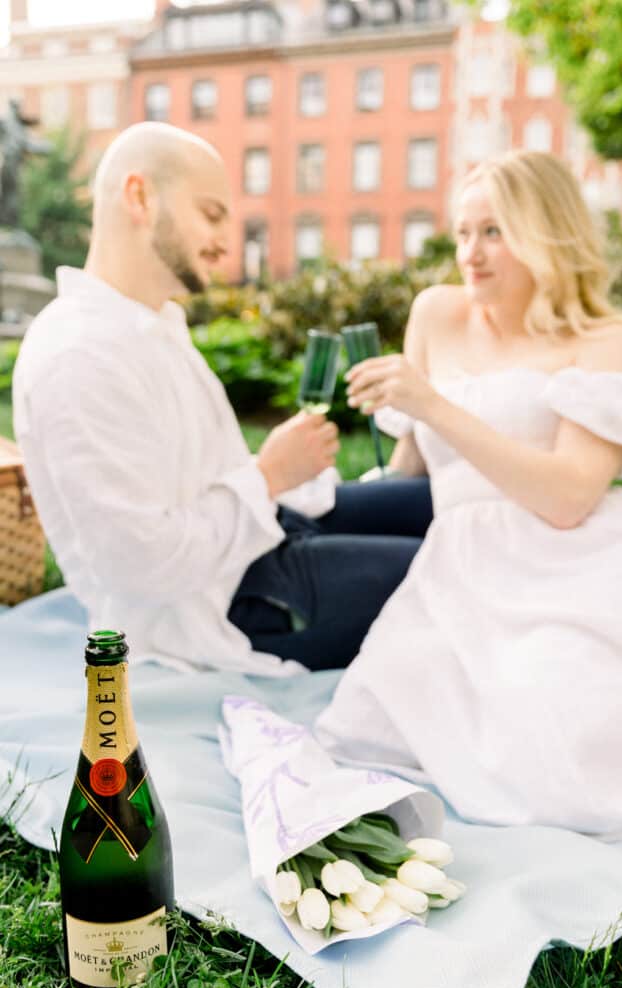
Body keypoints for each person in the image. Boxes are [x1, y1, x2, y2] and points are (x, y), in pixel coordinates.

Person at [316, 150, 622, 839]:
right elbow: (412, 471)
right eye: (461, 232)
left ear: (547, 235)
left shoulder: (607, 340)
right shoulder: (436, 314)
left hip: (580, 561)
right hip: (461, 562)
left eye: (493, 233)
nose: (469, 254)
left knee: (561, 716)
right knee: (377, 714)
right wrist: (337, 495)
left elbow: (570, 495)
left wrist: (432, 404)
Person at [12, 122, 431, 675]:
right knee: (454, 570)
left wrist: (279, 481)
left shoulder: (149, 322)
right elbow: (141, 563)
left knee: (450, 502)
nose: (226, 241)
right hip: (224, 609)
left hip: (263, 532)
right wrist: (269, 475)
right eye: (210, 214)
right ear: (139, 196)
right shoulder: (78, 356)